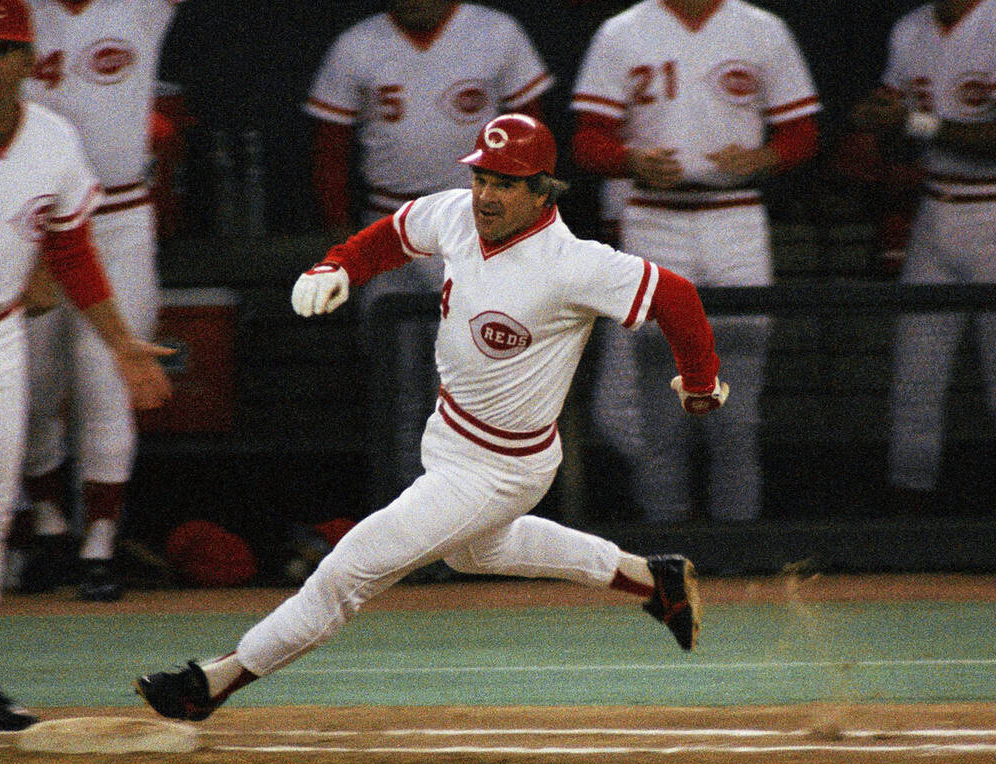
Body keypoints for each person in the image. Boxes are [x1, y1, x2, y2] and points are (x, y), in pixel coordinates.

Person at [134, 114, 727, 721]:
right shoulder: (458, 214)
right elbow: (395, 233)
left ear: (543, 188)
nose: (487, 195)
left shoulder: (570, 263)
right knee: (473, 553)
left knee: (350, 570)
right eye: (482, 177)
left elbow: (676, 296)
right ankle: (653, 581)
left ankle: (213, 681)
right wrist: (337, 265)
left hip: (502, 466)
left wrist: (701, 381)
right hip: (450, 437)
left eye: (506, 183)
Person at [0, 0, 172, 730]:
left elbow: (70, 249)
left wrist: (121, 342)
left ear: (30, 61)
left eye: (3, 50)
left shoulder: (55, 141)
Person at [570, 0, 820, 524]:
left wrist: (762, 158)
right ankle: (667, 533)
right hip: (653, 218)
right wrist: (630, 160)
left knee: (739, 402)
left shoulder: (760, 28)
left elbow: (802, 132)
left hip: (737, 217)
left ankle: (737, 537)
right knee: (656, 402)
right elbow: (587, 140)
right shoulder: (623, 30)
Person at [306, 0, 552, 515]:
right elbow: (329, 155)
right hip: (393, 223)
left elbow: (535, 143)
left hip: (482, 227)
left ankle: (484, 516)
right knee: (400, 392)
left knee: (485, 388)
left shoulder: (496, 32)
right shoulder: (357, 44)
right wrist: (344, 245)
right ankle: (409, 519)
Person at [851, 0, 996, 514]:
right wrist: (872, 120)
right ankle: (908, 527)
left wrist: (912, 123)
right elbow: (886, 112)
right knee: (914, 382)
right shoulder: (909, 27)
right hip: (936, 206)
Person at [18, 0, 184, 601]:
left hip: (118, 216)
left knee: (107, 376)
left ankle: (99, 546)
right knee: (32, 381)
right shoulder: (15, 11)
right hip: (29, 219)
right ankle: (48, 526)